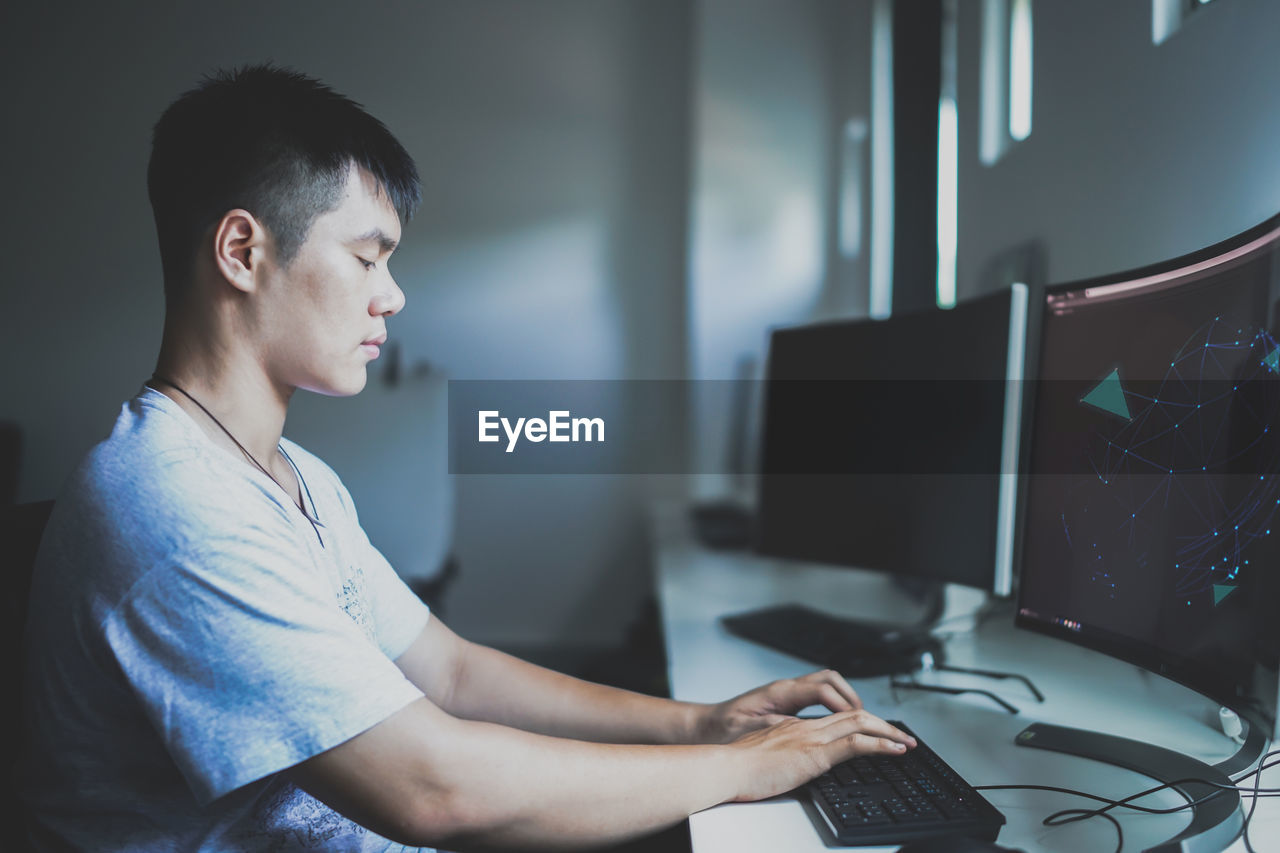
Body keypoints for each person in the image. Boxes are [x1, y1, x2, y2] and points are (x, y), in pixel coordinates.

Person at [20, 64, 915, 852]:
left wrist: (705, 725)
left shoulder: (291, 475)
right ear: (243, 251)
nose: (393, 295)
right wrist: (746, 766)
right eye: (369, 258)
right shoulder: (170, 502)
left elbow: (449, 669)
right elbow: (434, 789)